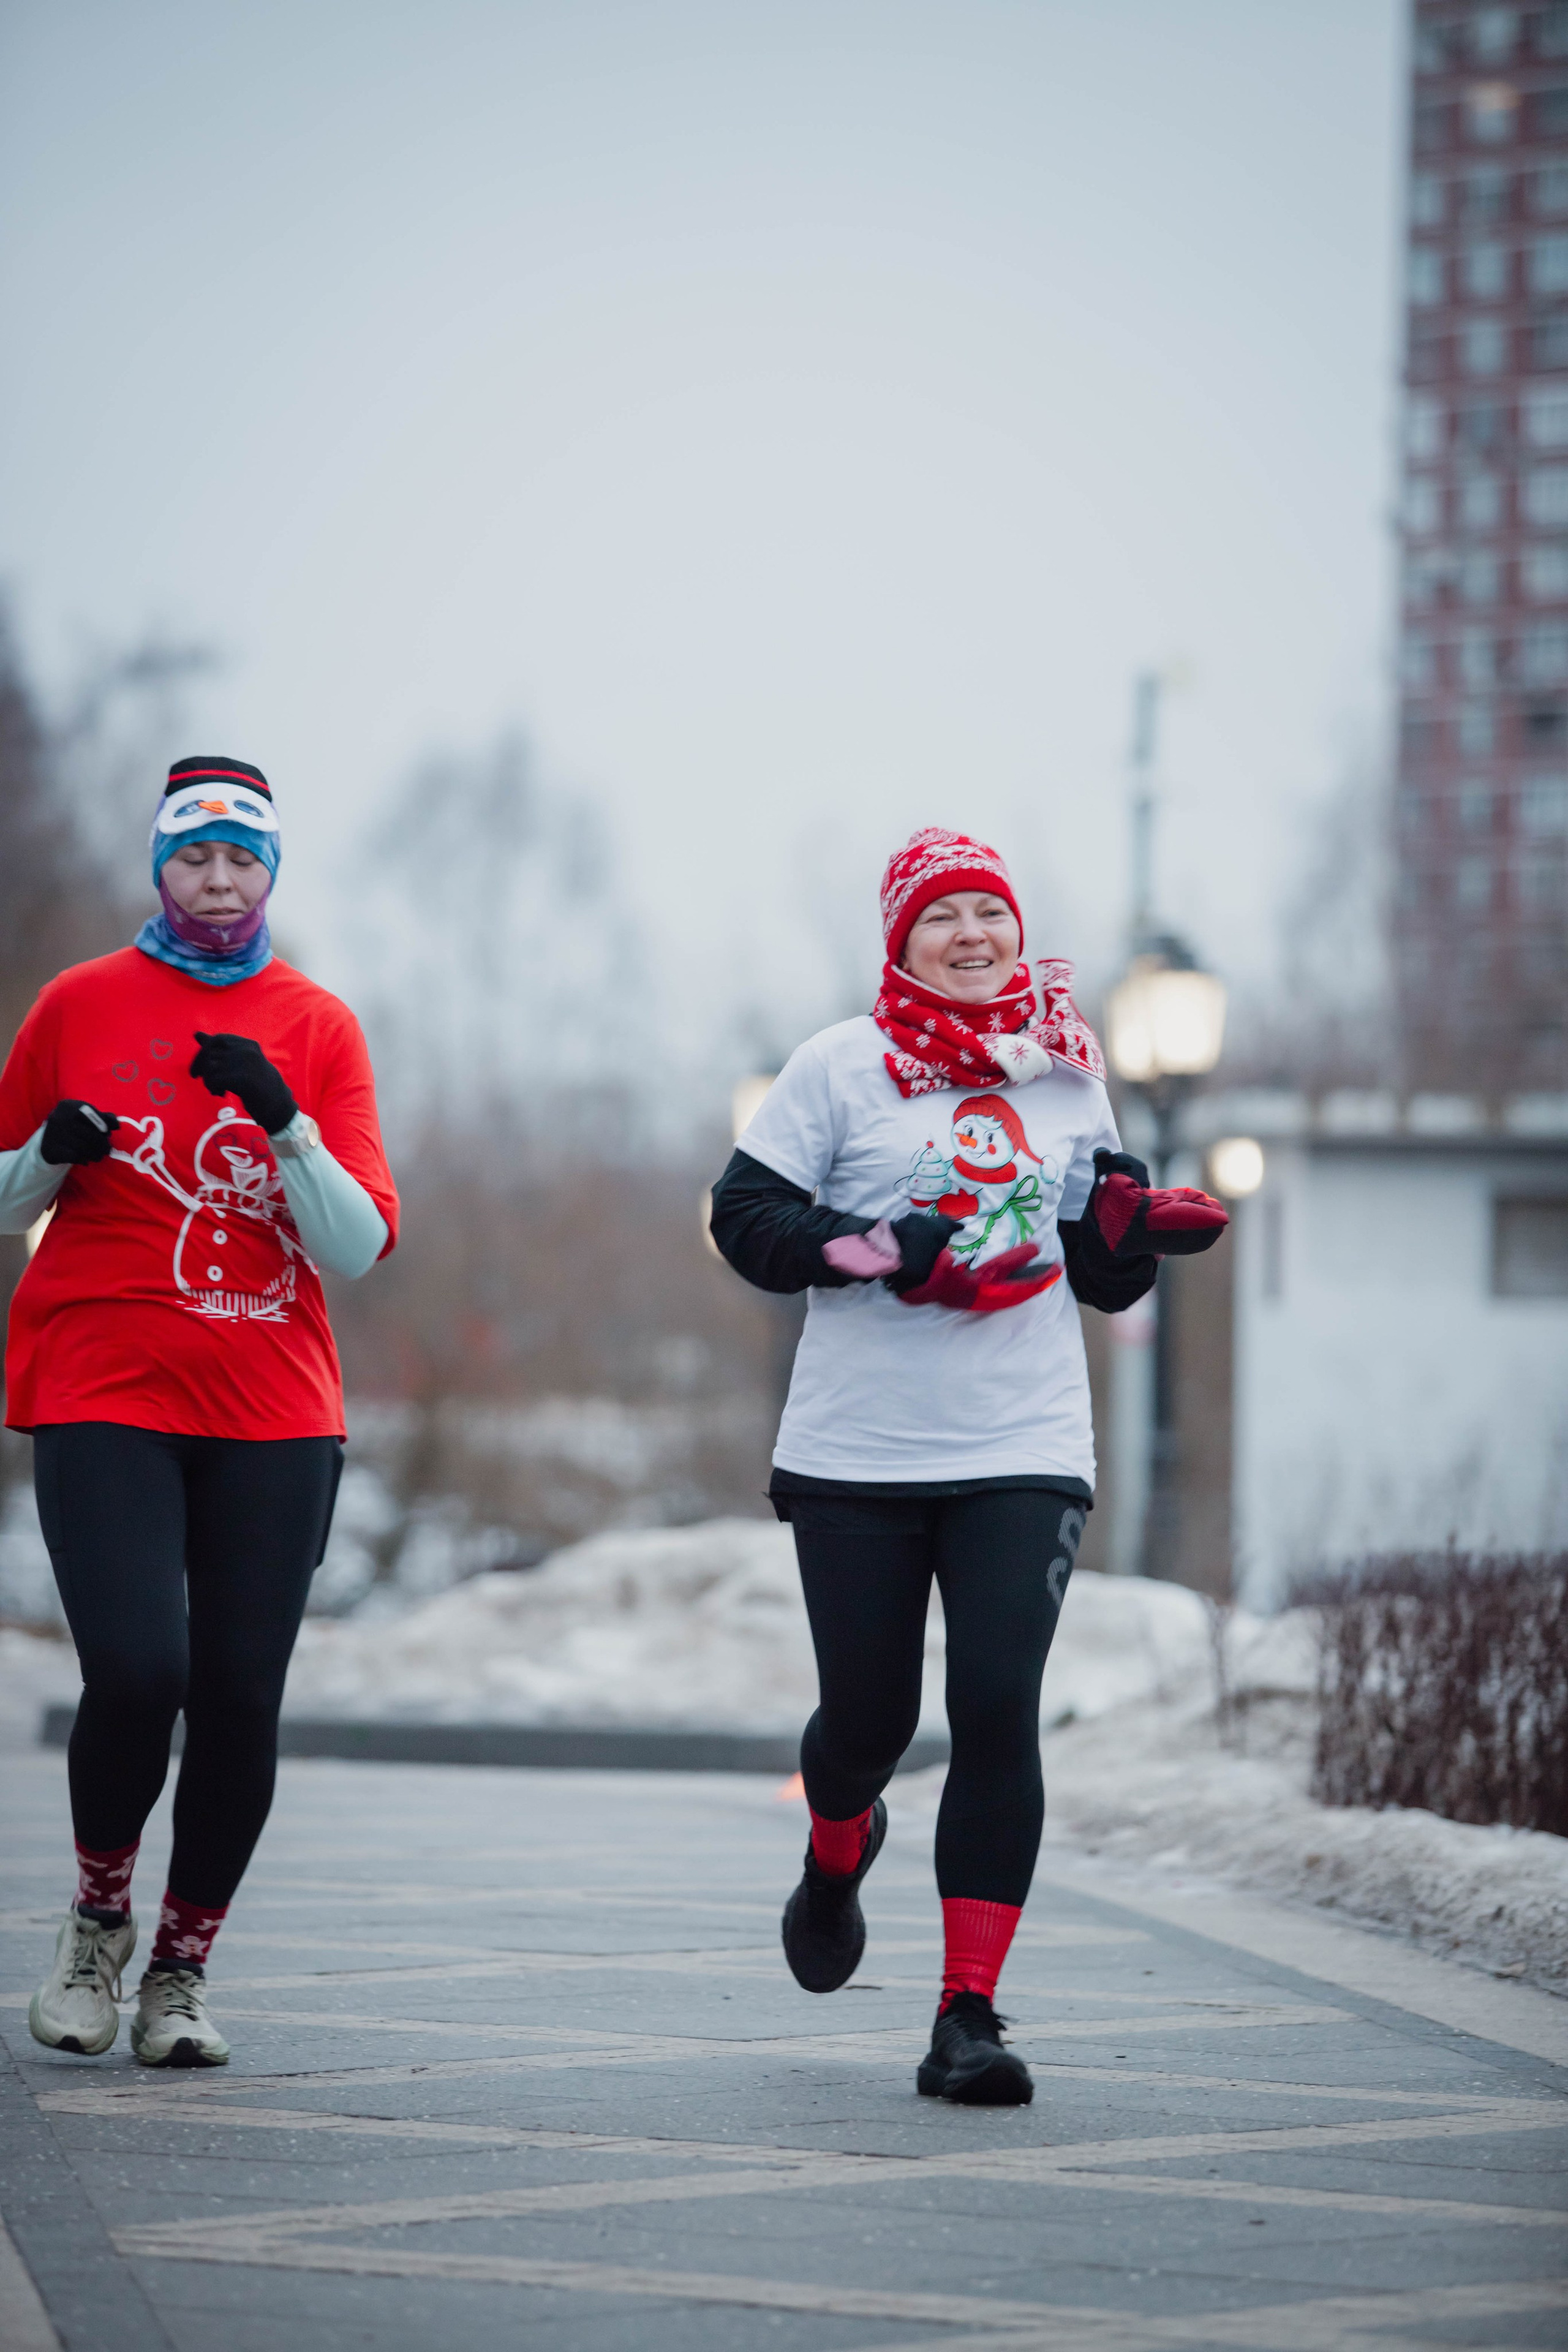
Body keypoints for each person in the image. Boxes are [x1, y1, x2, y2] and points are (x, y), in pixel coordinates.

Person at [710, 827, 1226, 2106]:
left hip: (1021, 1443)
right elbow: (745, 1218)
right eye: (939, 919)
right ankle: (837, 1851)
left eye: (986, 915)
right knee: (868, 1725)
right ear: (899, 942)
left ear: (1015, 930)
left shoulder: (1063, 1072)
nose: (969, 938)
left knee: (997, 1705)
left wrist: (1128, 1228)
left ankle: (967, 2016)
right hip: (856, 1455)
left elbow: (1101, 1281)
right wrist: (876, 1249)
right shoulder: (840, 1066)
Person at [4, 756, 398, 2068]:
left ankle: (179, 1971)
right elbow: (1, 1196)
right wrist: (45, 1156)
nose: (217, 881)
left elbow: (354, 1246)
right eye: (193, 857)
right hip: (101, 1382)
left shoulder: (319, 1025)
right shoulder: (79, 1001)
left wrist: (285, 1123)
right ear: (158, 867)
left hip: (274, 1409)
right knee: (138, 1670)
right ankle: (96, 1924)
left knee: (237, 1695)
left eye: (242, 859)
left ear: (271, 871)